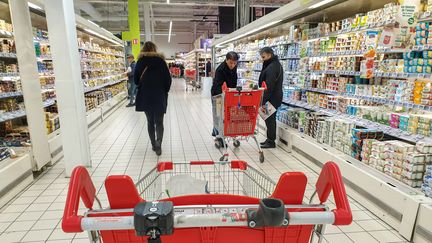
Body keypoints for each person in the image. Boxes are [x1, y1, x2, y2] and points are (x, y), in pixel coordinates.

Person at [134, 41, 172, 156]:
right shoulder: (161, 61)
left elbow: (136, 80)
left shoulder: (140, 62)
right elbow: (168, 80)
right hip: (159, 95)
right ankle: (159, 144)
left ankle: (153, 144)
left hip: (146, 96)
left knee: (150, 122)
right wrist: (164, 91)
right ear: (155, 49)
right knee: (159, 122)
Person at [258, 47, 283, 149]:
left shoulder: (272, 67)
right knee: (268, 118)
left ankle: (271, 141)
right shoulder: (273, 64)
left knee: (270, 119)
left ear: (269, 55)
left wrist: (263, 101)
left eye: (263, 57)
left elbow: (269, 86)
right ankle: (269, 139)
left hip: (272, 98)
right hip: (273, 97)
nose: (262, 59)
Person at [211, 51, 239, 139]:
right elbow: (217, 85)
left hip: (228, 94)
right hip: (218, 94)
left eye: (234, 63)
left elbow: (234, 81)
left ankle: (217, 131)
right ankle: (218, 134)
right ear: (226, 60)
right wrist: (223, 95)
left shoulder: (234, 67)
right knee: (218, 114)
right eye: (231, 63)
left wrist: (234, 92)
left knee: (226, 115)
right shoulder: (220, 69)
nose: (232, 65)